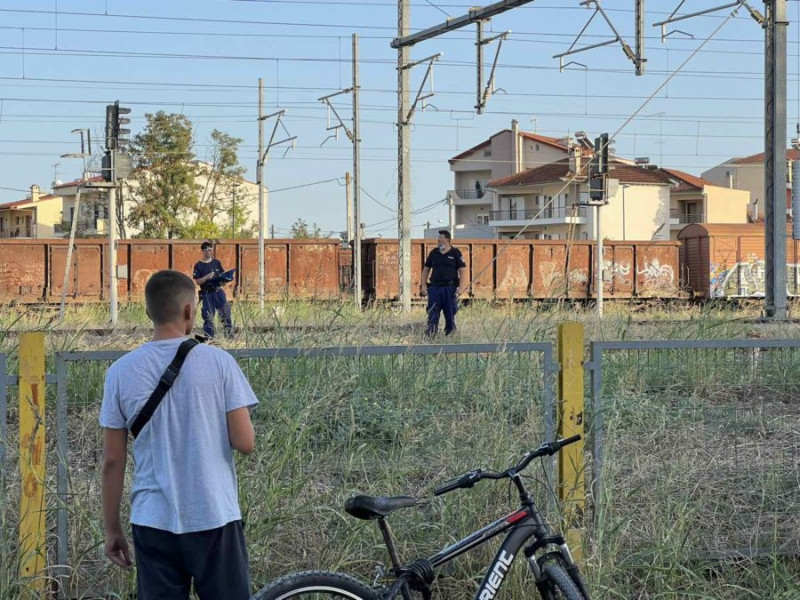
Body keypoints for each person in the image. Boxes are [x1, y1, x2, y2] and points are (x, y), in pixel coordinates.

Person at [99, 269, 258, 600]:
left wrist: (112, 529)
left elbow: (113, 460)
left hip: (152, 520)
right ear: (190, 310)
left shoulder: (120, 372)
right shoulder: (220, 363)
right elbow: (245, 443)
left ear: (148, 313)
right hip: (214, 515)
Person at [419, 230, 467, 337]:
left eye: (441, 238)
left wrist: (462, 288)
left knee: (450, 312)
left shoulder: (455, 253)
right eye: (438, 239)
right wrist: (423, 285)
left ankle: (450, 334)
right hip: (435, 288)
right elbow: (426, 269)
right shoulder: (434, 253)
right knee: (432, 312)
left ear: (447, 240)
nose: (439, 240)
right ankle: (431, 334)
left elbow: (462, 270)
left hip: (450, 288)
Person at [193, 241, 233, 339]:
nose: (210, 252)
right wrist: (206, 277)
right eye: (207, 250)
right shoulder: (198, 265)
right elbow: (197, 282)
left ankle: (229, 338)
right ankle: (209, 339)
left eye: (211, 250)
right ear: (203, 251)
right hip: (207, 294)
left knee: (225, 314)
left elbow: (222, 275)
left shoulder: (216, 262)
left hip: (218, 292)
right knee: (208, 318)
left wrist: (224, 281)